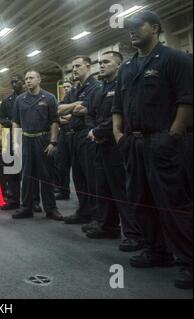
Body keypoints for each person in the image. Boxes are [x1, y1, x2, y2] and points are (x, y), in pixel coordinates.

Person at [112, 11, 193, 289]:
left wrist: (173, 135)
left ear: (155, 28)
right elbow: (118, 107)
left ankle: (188, 261)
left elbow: (187, 101)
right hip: (133, 143)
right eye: (129, 28)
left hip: (164, 142)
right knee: (141, 200)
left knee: (173, 202)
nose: (131, 31)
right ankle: (156, 251)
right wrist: (119, 136)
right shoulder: (127, 68)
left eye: (138, 26)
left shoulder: (175, 59)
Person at [85, 51, 143, 252]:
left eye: (106, 62)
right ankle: (108, 226)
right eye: (100, 63)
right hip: (100, 143)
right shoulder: (101, 89)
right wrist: (93, 130)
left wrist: (99, 131)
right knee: (103, 188)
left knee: (122, 191)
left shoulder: (123, 86)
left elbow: (121, 114)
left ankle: (134, 234)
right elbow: (90, 114)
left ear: (119, 66)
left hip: (116, 145)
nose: (101, 65)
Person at [11, 70, 63, 220]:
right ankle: (26, 207)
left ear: (39, 80)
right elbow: (15, 122)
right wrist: (15, 142)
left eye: (31, 78)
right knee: (26, 176)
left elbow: (54, 121)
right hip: (26, 140)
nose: (28, 81)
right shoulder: (20, 100)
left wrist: (53, 142)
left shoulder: (49, 97)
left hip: (43, 140)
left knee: (46, 176)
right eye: (26, 78)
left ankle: (51, 208)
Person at [58, 56, 101, 224]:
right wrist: (76, 105)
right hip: (74, 136)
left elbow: (87, 109)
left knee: (91, 177)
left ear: (88, 67)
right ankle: (84, 211)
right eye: (72, 67)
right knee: (78, 176)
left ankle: (97, 216)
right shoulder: (75, 90)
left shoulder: (95, 86)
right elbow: (61, 109)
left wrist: (75, 109)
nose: (74, 69)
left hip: (87, 135)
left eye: (77, 66)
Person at [0, 76, 42, 212]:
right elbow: (1, 118)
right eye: (12, 82)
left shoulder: (31, 98)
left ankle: (34, 201)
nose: (14, 84)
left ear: (22, 83)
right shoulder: (7, 101)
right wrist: (12, 124)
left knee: (31, 171)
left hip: (30, 137)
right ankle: (13, 199)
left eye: (16, 81)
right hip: (13, 137)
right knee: (12, 170)